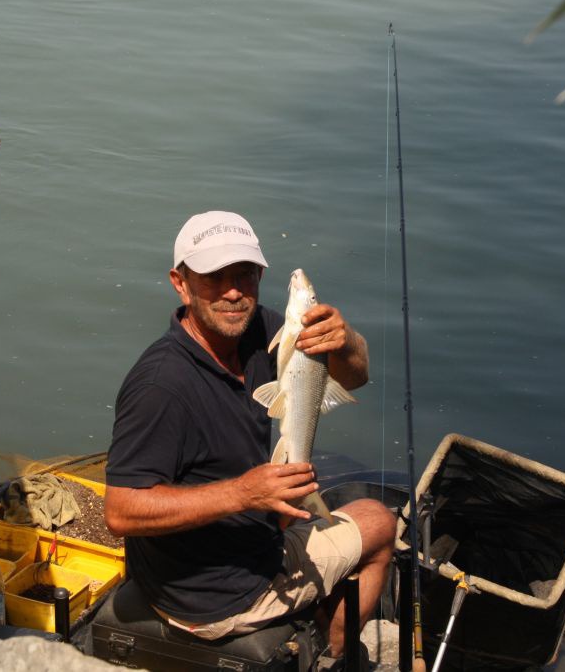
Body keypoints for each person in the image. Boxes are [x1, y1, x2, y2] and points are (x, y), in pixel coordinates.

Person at [104, 211, 396, 656]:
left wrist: (347, 341)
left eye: (245, 275)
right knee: (379, 522)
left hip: (234, 540)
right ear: (180, 283)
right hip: (215, 596)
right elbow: (120, 513)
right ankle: (335, 656)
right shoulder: (160, 386)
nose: (234, 292)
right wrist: (242, 494)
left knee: (311, 501)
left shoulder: (260, 329)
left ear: (260, 276)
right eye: (214, 278)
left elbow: (353, 377)